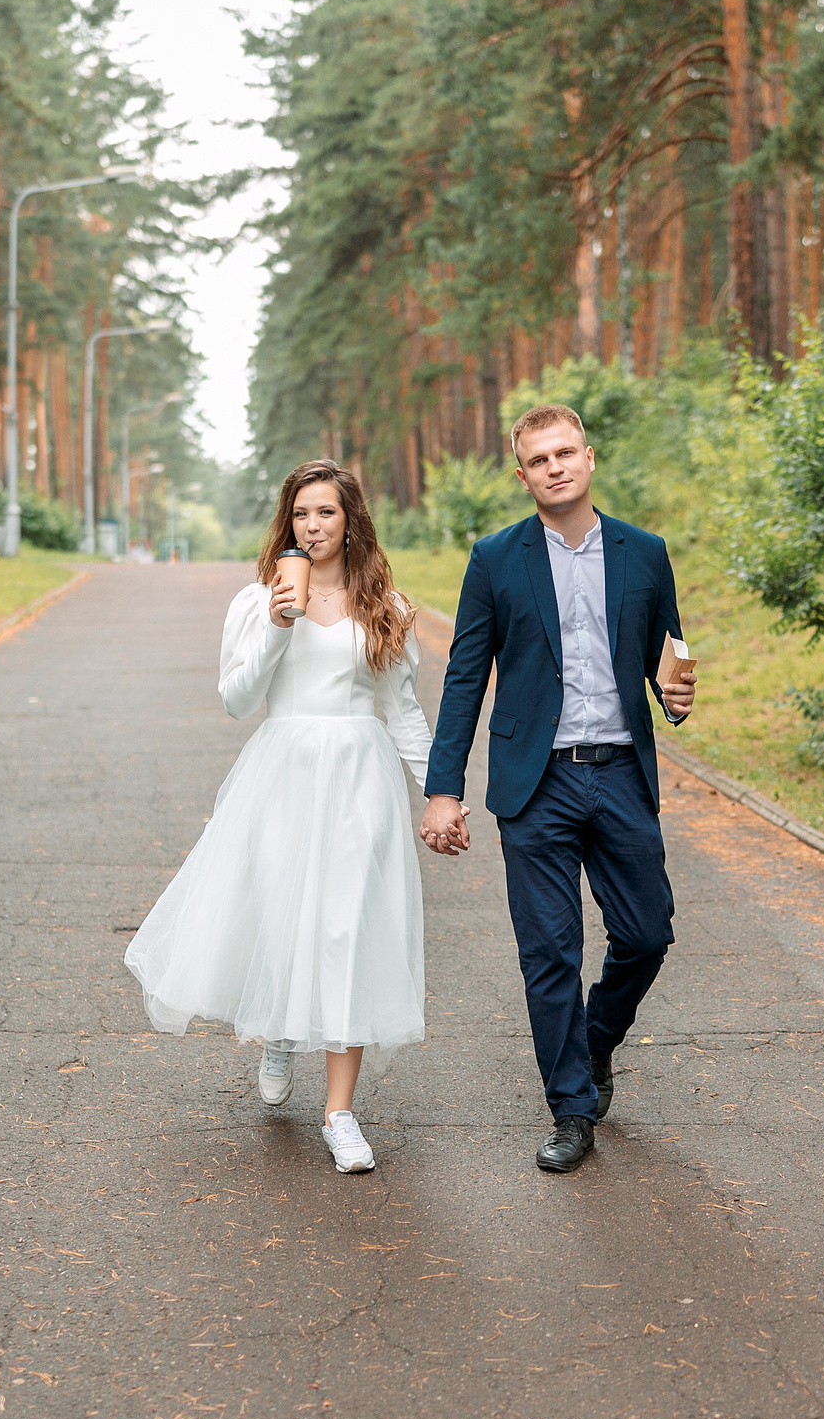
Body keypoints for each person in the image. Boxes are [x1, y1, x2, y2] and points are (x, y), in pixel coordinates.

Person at [124, 460, 431, 1174]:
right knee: (283, 912)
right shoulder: (255, 600)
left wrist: (440, 792)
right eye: (301, 514)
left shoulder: (387, 604)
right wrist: (276, 625)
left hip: (361, 773)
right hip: (284, 769)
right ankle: (280, 1034)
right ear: (286, 523)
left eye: (327, 513)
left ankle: (341, 1113)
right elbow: (236, 700)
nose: (313, 526)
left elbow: (403, 710)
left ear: (350, 520)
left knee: (347, 925)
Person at [418, 404, 693, 1173]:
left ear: (590, 458)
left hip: (621, 773)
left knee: (646, 934)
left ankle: (597, 1040)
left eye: (566, 452)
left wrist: (674, 694)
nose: (555, 467)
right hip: (535, 785)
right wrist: (444, 789)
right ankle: (571, 1109)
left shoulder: (646, 552)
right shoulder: (496, 559)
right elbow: (466, 678)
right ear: (523, 474)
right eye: (539, 460)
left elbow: (666, 651)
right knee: (549, 953)